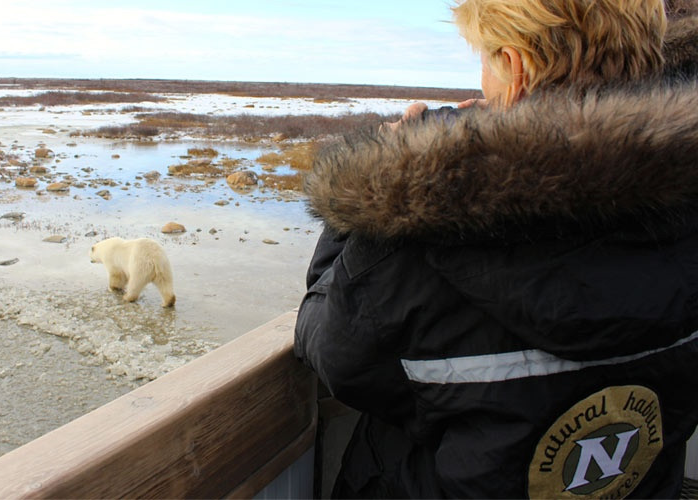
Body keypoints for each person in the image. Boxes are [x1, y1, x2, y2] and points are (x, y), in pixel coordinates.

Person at [294, 0, 698, 497]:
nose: (481, 83)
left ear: (518, 68)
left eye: (486, 61)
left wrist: (378, 185)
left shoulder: (426, 246)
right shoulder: (684, 209)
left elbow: (330, 347)